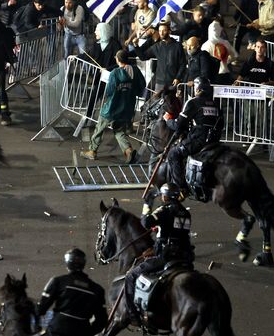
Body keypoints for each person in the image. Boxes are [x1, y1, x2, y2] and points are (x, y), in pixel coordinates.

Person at [126, 183, 193, 323]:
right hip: (185, 255)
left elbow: (145, 222)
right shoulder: (185, 212)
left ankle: (133, 314)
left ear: (165, 197)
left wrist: (147, 204)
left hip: (166, 255)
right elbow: (176, 230)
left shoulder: (164, 210)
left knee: (130, 276)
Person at [80, 51, 145, 162]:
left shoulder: (115, 73)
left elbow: (109, 91)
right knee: (119, 131)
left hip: (112, 107)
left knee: (99, 128)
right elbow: (142, 86)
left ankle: (92, 150)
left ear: (117, 60)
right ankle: (128, 151)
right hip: (127, 107)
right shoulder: (135, 70)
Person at [36, 248, 108, 336]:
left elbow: (41, 309)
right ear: (83, 264)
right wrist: (88, 332)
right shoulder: (97, 289)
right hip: (82, 331)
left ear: (67, 263)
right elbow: (102, 320)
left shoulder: (58, 281)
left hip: (57, 330)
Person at [166, 77, 221, 189]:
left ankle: (180, 188)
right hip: (214, 141)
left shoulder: (193, 102)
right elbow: (221, 124)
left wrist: (168, 120)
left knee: (173, 154)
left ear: (197, 89)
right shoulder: (216, 104)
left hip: (198, 140)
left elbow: (178, 125)